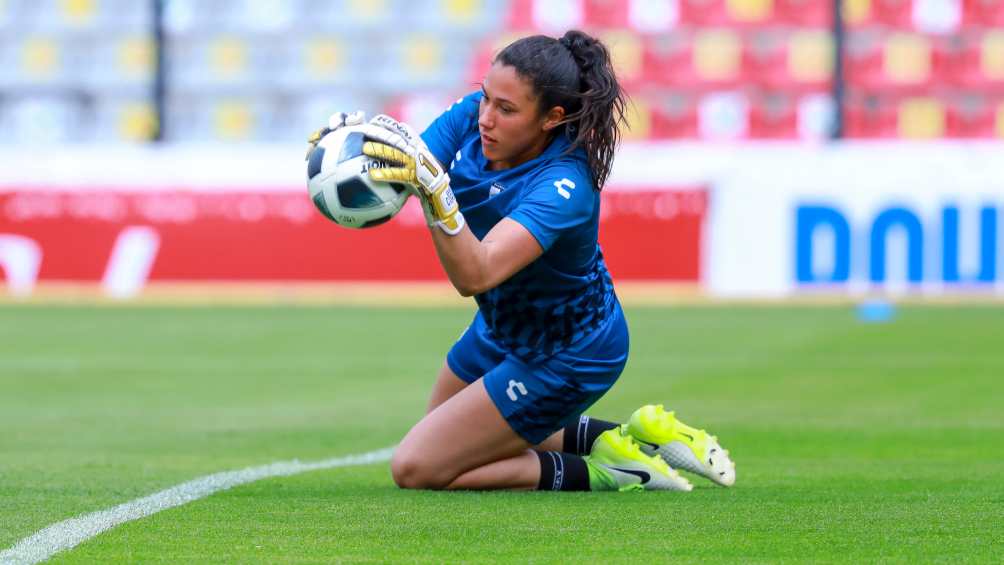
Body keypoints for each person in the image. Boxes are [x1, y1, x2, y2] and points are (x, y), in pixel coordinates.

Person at [309, 30, 735, 491]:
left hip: (569, 350)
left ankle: (605, 473)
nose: (486, 118)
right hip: (503, 327)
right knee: (451, 436)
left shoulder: (564, 186)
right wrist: (363, 143)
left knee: (418, 467)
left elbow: (476, 273)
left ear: (551, 118)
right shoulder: (474, 116)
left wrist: (436, 190)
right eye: (486, 98)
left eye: (507, 110)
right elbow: (413, 161)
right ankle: (630, 437)